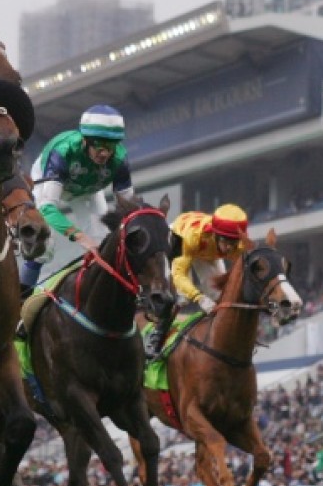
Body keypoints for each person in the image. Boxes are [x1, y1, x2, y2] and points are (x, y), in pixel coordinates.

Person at [19, 104, 135, 298]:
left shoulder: (120, 160)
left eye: (111, 145)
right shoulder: (63, 152)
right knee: (44, 247)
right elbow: (48, 208)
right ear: (85, 140)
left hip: (86, 191)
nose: (105, 153)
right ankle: (21, 298)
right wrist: (79, 236)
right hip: (51, 182)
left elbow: (129, 208)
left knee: (103, 244)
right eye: (99, 144)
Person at [145, 203, 249, 356]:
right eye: (225, 241)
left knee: (219, 295)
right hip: (180, 239)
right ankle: (156, 336)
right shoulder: (192, 237)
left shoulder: (240, 245)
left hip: (207, 252)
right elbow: (179, 275)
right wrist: (199, 298)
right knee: (182, 296)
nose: (228, 248)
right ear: (215, 234)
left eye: (233, 243)